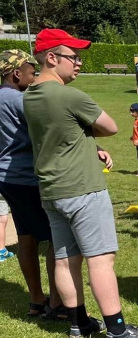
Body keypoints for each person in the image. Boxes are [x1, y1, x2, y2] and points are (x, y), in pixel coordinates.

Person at [25, 29, 138, 338]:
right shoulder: (70, 96)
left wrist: (89, 144)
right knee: (100, 260)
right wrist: (93, 136)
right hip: (83, 188)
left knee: (66, 259)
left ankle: (78, 324)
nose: (79, 63)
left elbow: (61, 133)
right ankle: (118, 329)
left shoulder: (29, 95)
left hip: (52, 190)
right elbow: (110, 126)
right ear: (52, 58)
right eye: (74, 56)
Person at [0, 49, 65, 318]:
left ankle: (37, 300)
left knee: (26, 236)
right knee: (54, 236)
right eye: (31, 71)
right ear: (17, 73)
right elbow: (47, 129)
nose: (34, 75)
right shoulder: (18, 100)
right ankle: (58, 305)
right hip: (28, 178)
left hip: (6, 179)